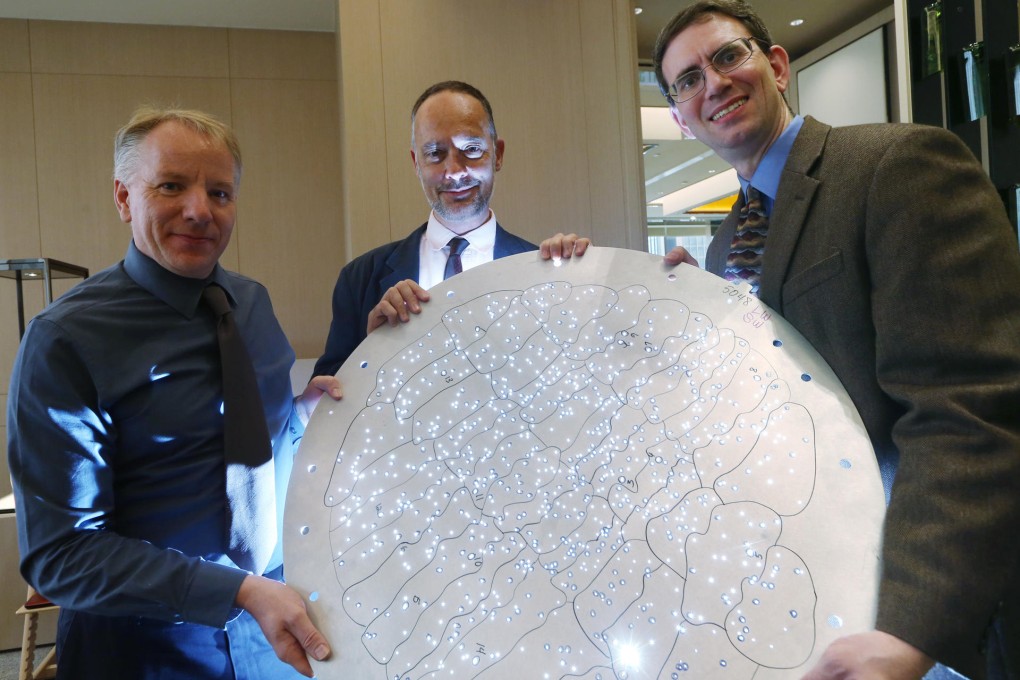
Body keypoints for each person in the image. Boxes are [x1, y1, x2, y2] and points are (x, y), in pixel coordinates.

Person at [649, 2, 1020, 678]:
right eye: (688, 80)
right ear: (680, 117)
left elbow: (966, 409)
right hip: (818, 587)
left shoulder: (897, 166)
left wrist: (911, 631)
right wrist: (689, 313)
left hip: (929, 604)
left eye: (728, 56)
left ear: (776, 65)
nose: (715, 83)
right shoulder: (727, 243)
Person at [7, 107, 343, 679]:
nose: (199, 210)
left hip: (278, 638)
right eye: (171, 186)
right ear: (123, 197)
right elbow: (60, 555)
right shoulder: (65, 339)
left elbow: (254, 444)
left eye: (219, 192)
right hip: (146, 650)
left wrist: (298, 417)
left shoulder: (252, 305)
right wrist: (235, 590)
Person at [312, 80, 589, 378]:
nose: (455, 172)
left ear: (498, 154)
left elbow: (575, 381)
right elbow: (324, 399)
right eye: (435, 153)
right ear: (416, 163)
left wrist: (581, 287)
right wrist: (373, 353)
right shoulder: (359, 280)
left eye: (471, 149)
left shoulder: (545, 275)